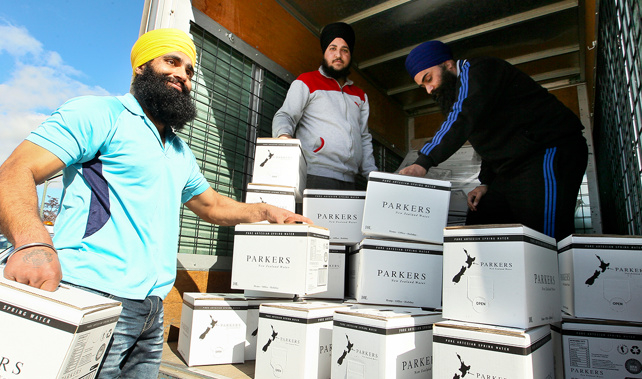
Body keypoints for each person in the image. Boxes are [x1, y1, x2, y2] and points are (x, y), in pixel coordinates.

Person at [0, 28, 310, 378]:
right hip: (94, 297)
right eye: (172, 61)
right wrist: (33, 242)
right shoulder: (101, 113)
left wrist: (269, 212)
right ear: (141, 67)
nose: (182, 74)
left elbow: (211, 206)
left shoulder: (179, 151)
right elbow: (15, 171)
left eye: (190, 70)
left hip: (151, 311)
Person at [399, 40, 588, 241]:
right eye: (423, 86)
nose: (429, 90)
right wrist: (486, 182)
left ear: (447, 64)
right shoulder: (460, 96)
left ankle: (552, 270)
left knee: (543, 236)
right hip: (513, 167)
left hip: (548, 150)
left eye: (428, 79)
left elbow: (462, 117)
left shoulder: (479, 69)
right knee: (482, 217)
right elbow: (490, 143)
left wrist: (422, 163)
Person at [272, 22, 378, 190]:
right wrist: (284, 139)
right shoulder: (306, 81)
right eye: (332, 48)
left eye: (345, 50)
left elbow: (364, 138)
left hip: (351, 180)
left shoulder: (360, 95)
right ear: (324, 52)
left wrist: (373, 175)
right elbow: (285, 115)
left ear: (350, 55)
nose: (338, 55)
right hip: (315, 175)